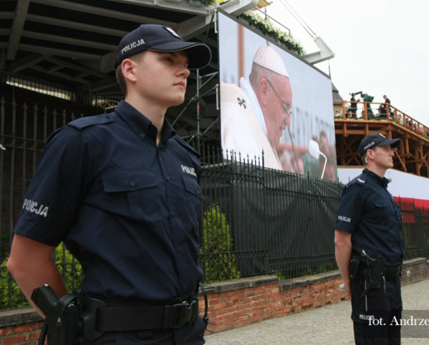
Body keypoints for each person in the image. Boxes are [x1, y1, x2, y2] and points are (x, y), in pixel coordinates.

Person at [7, 24, 212, 344]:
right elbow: (25, 260)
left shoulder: (186, 157)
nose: (184, 70)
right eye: (169, 60)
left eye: (185, 63)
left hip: (188, 334)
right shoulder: (83, 142)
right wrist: (70, 321)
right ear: (130, 69)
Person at [334, 133, 403, 344]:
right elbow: (341, 239)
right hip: (369, 285)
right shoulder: (358, 188)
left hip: (392, 283)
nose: (392, 152)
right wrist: (348, 281)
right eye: (386, 148)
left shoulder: (384, 192)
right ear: (370, 154)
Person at [220, 45, 292, 170]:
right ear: (264, 91)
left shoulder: (259, 126)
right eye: (285, 108)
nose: (288, 122)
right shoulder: (235, 121)